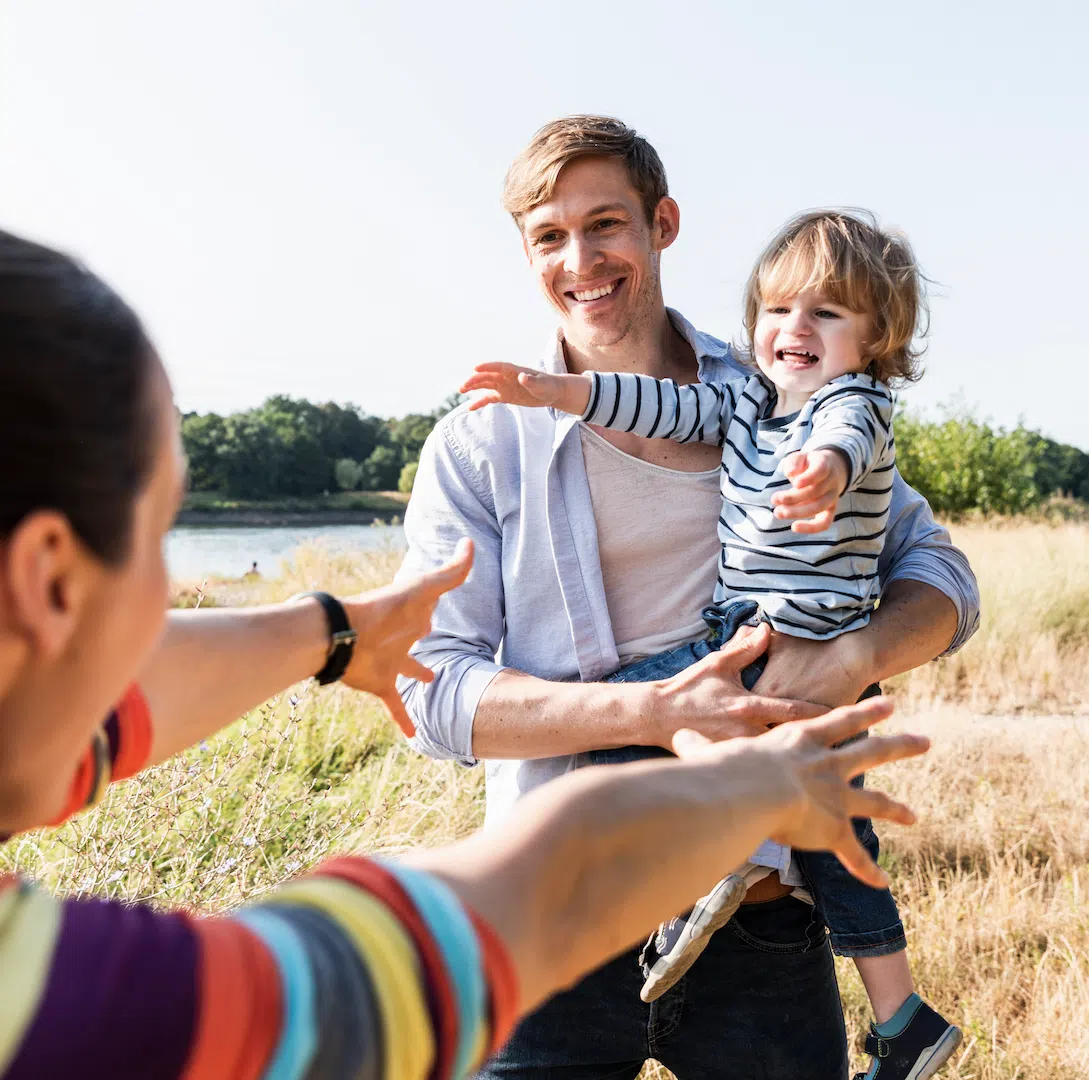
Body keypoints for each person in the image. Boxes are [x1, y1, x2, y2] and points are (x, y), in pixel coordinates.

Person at [0, 228, 931, 1078]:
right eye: (161, 532)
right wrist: (752, 783)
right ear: (46, 582)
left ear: (661, 224)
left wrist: (325, 635)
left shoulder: (775, 402)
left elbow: (110, 706)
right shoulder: (66, 1004)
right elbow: (418, 945)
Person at [397, 115, 981, 1079]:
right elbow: (429, 697)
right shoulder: (480, 443)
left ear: (662, 222)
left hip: (760, 924)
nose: (580, 258)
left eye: (605, 224)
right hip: (554, 916)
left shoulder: (773, 396)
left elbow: (942, 577)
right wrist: (657, 712)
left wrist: (852, 657)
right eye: (549, 235)